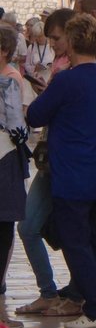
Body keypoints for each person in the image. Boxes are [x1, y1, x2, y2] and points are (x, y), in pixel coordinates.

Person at [27, 14, 96, 328]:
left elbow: (36, 116)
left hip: (71, 175)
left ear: (72, 43)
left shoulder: (66, 79)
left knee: (76, 243)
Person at [16, 9, 84, 319]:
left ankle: (78, 293)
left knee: (72, 229)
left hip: (70, 162)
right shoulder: (60, 67)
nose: (53, 43)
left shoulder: (81, 69)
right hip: (51, 156)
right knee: (29, 225)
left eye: (56, 38)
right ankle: (49, 292)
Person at [0, 27, 27, 297]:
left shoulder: (9, 80)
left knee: (4, 221)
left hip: (4, 155)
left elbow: (16, 124)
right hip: (5, 153)